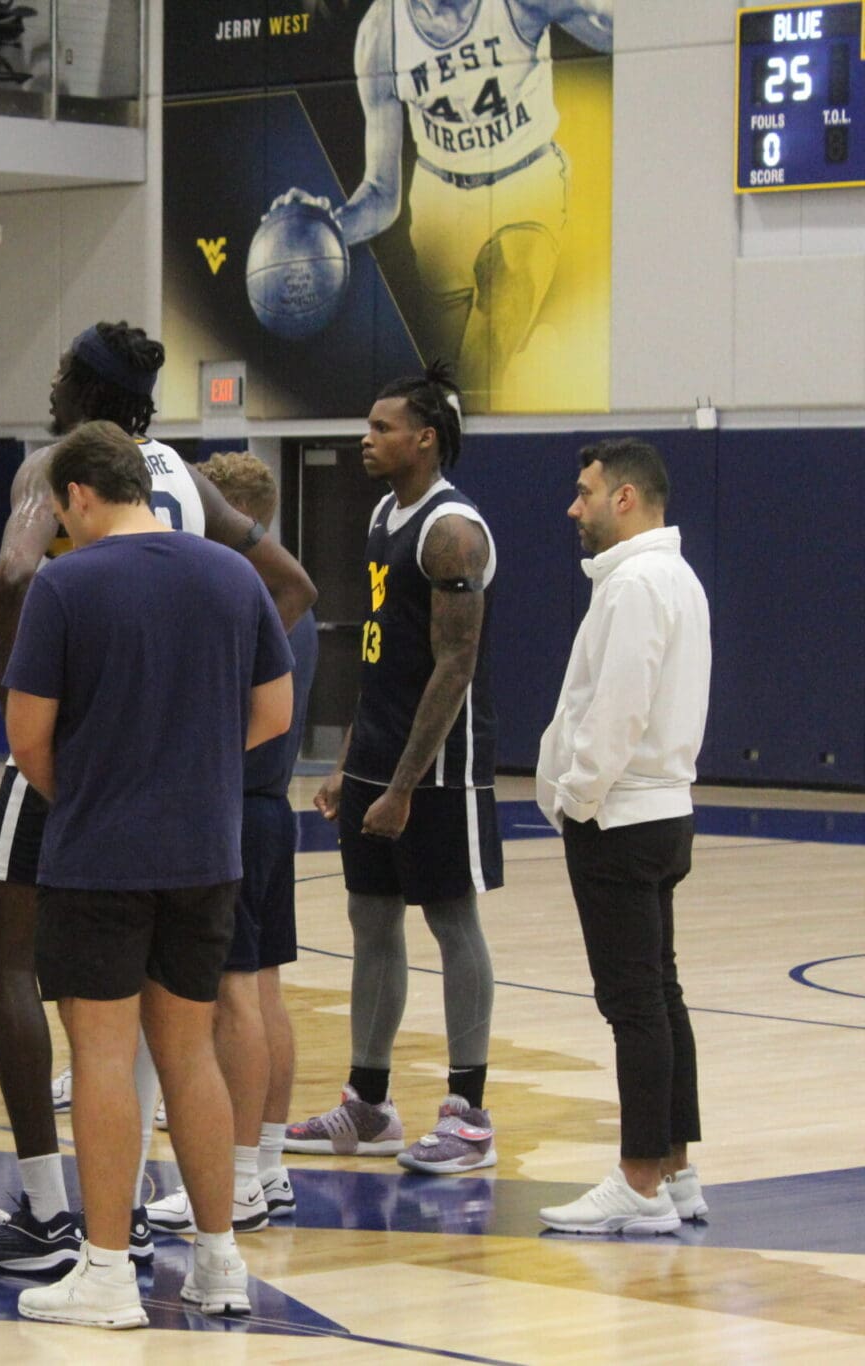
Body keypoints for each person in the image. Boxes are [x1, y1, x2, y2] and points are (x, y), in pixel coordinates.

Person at [0, 321, 314, 1276]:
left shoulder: (54, 470)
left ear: (82, 392)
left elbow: (24, 575)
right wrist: (195, 714)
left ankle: (47, 1214)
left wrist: (30, 693)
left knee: (11, 969)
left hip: (87, 775)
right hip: (191, 793)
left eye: (63, 373)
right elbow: (289, 584)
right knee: (176, 1027)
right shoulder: (186, 479)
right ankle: (199, 1236)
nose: (51, 388)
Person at [3, 421, 292, 1329]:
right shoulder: (232, 573)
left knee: (100, 1055)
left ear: (80, 495)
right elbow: (276, 712)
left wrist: (92, 787)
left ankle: (107, 1273)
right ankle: (218, 1263)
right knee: (187, 1053)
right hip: (205, 852)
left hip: (101, 854)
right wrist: (192, 765)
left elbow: (26, 741)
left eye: (60, 508)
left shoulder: (66, 582)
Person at [293, 362, 503, 1176]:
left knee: (452, 925)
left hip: (440, 767)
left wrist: (408, 786)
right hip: (380, 754)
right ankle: (369, 1105)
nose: (365, 439)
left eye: (381, 428)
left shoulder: (454, 530)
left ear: (424, 437)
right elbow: (378, 660)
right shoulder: (385, 512)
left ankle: (470, 1114)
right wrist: (353, 764)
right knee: (371, 921)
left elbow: (455, 666)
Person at [267, 0, 614, 405]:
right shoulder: (381, 34)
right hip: (438, 208)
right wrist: (326, 226)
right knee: (449, 378)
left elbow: (623, 36)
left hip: (527, 183)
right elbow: (381, 195)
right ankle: (533, 363)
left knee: (480, 364)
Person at [536, 438, 711, 1236]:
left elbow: (618, 707)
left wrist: (576, 795)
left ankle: (639, 1181)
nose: (574, 508)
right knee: (659, 994)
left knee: (633, 1003)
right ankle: (675, 1171)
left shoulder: (638, 583)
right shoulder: (669, 577)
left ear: (626, 499)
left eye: (585, 493)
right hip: (657, 812)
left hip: (622, 816)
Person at [148, 451, 320, 1237]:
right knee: (265, 996)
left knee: (235, 1000)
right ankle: (271, 1165)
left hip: (239, 807)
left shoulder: (244, 595)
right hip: (270, 809)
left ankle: (241, 1178)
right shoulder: (287, 599)